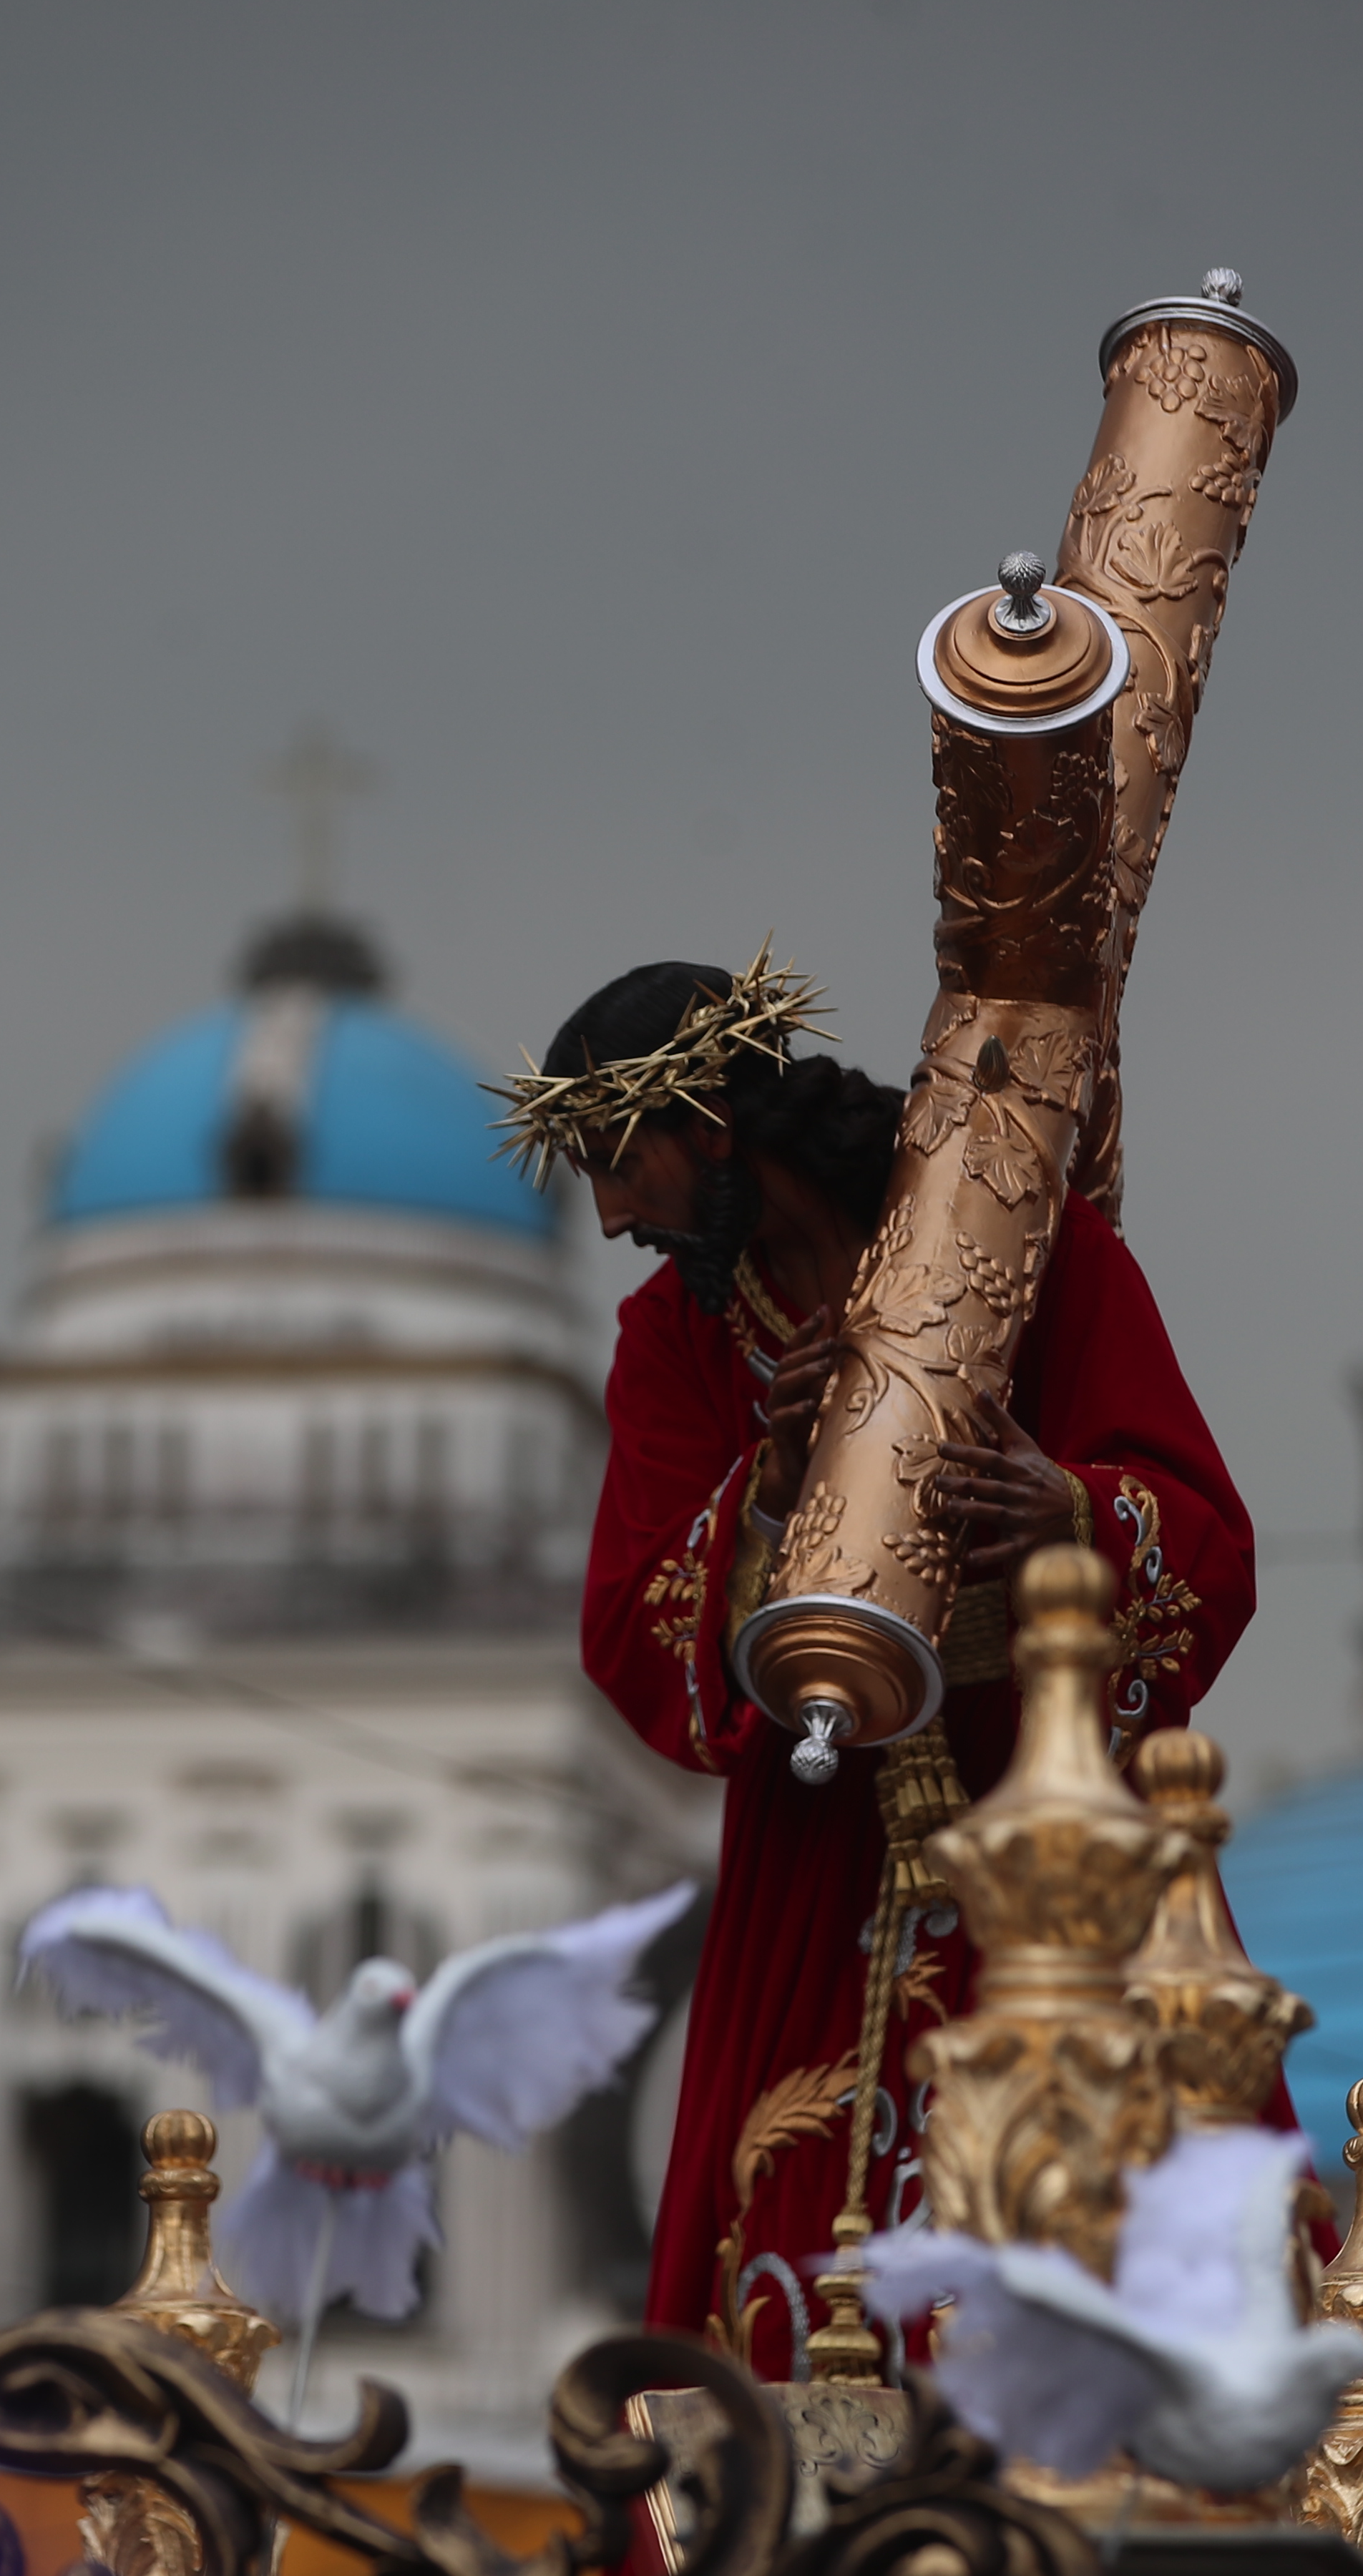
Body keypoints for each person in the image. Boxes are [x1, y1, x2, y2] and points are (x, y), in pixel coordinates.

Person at [506, 956, 1257, 2377]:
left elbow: (1211, 1544)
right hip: (820, 1850)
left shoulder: (1024, 1244)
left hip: (1044, 1823)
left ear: (712, 1130)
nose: (610, 1216)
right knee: (786, 2248)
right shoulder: (673, 1340)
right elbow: (631, 1633)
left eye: (621, 1162)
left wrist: (1072, 1513)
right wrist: (771, 1489)